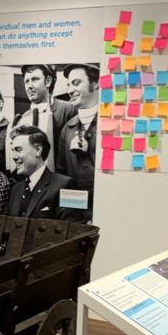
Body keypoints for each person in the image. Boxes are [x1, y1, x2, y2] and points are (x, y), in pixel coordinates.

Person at [12, 64, 76, 171]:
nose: (29, 86)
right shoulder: (23, 118)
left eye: (34, 79)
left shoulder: (68, 110)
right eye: (26, 81)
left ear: (48, 81)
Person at [57, 63, 99, 221]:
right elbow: (64, 178)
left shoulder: (111, 125)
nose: (69, 91)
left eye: (76, 83)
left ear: (96, 83)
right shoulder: (67, 129)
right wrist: (75, 219)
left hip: (107, 210)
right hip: (78, 216)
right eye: (68, 85)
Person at [4, 125, 74, 220]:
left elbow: (75, 231)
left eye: (18, 150)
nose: (14, 157)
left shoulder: (68, 186)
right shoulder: (15, 190)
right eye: (12, 151)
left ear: (38, 150)